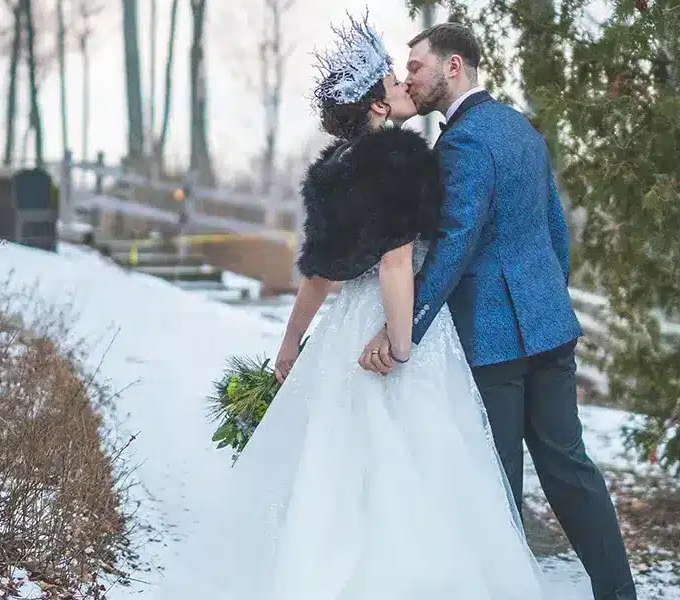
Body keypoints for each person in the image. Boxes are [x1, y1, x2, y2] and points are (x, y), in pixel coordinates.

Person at [150, 16, 546, 600]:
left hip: (340, 330)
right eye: (392, 82)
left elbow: (316, 272)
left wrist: (289, 343)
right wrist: (403, 340)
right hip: (390, 322)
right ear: (377, 108)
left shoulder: (332, 167)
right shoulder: (399, 158)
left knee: (337, 463)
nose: (404, 86)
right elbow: (394, 262)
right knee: (414, 462)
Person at [359, 21, 639, 600]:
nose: (408, 76)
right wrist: (547, 304)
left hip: (493, 342)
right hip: (548, 329)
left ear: (453, 67)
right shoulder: (521, 130)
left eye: (416, 67)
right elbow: (554, 231)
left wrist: (404, 326)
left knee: (497, 482)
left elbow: (456, 243)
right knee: (570, 470)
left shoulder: (462, 141)